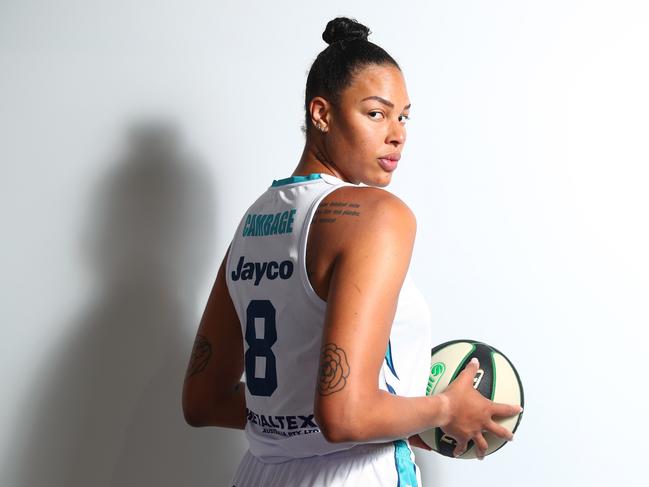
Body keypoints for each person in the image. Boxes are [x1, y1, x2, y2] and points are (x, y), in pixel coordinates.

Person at [182, 17, 522, 486]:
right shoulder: (377, 215)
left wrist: (390, 417)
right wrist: (444, 409)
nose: (398, 134)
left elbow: (202, 400)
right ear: (321, 113)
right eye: (376, 113)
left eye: (404, 116)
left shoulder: (254, 223)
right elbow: (344, 415)